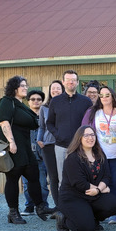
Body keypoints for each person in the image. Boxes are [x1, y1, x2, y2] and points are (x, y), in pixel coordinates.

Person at [0, 76, 54, 224]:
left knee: (33, 174)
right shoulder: (7, 101)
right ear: (14, 87)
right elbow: (4, 121)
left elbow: (35, 122)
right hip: (13, 146)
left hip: (25, 146)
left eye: (26, 85)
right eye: (22, 85)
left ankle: (40, 207)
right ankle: (13, 212)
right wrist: (11, 142)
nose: (25, 88)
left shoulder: (21, 105)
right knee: (13, 178)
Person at [56, 126, 116, 231]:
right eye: (86, 135)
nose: (90, 138)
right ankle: (63, 221)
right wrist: (100, 190)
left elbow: (106, 176)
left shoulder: (100, 155)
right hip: (74, 197)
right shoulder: (73, 158)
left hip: (93, 195)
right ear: (79, 138)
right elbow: (80, 183)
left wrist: (98, 190)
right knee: (85, 229)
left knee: (115, 205)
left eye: (92, 135)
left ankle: (91, 218)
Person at [82, 86, 116, 225]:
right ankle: (97, 212)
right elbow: (84, 130)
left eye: (108, 95)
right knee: (97, 184)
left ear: (113, 96)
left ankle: (113, 214)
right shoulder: (93, 112)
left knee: (115, 183)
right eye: (102, 95)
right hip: (99, 156)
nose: (105, 97)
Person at [47, 70, 92, 186]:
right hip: (61, 146)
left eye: (73, 80)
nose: (70, 82)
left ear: (77, 82)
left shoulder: (86, 101)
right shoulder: (55, 101)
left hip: (81, 147)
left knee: (83, 178)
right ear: (63, 82)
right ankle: (65, 204)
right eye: (68, 80)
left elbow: (90, 124)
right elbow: (49, 123)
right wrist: (58, 135)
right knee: (63, 180)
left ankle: (81, 204)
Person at [20, 90, 50, 216]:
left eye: (39, 99)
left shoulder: (46, 116)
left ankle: (43, 206)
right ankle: (29, 206)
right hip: (27, 155)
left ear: (42, 101)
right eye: (33, 99)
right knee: (27, 184)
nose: (36, 101)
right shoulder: (23, 116)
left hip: (42, 155)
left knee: (43, 184)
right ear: (28, 101)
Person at [37, 80, 64, 212]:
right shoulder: (44, 108)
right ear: (50, 91)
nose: (55, 91)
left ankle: (66, 205)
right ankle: (58, 206)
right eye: (53, 88)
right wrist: (39, 140)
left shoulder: (66, 106)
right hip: (48, 145)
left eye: (58, 88)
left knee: (64, 176)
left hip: (64, 144)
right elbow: (41, 126)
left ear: (63, 90)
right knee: (53, 177)